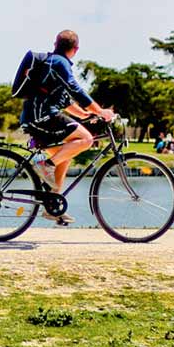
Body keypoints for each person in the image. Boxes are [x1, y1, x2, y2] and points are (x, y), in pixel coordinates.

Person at [20, 30, 116, 225]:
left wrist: (86, 114)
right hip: (42, 116)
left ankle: (51, 207)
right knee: (86, 140)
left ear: (55, 43)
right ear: (76, 49)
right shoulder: (59, 63)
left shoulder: (53, 64)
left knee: (65, 155)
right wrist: (100, 110)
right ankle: (43, 166)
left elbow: (64, 100)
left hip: (37, 116)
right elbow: (75, 89)